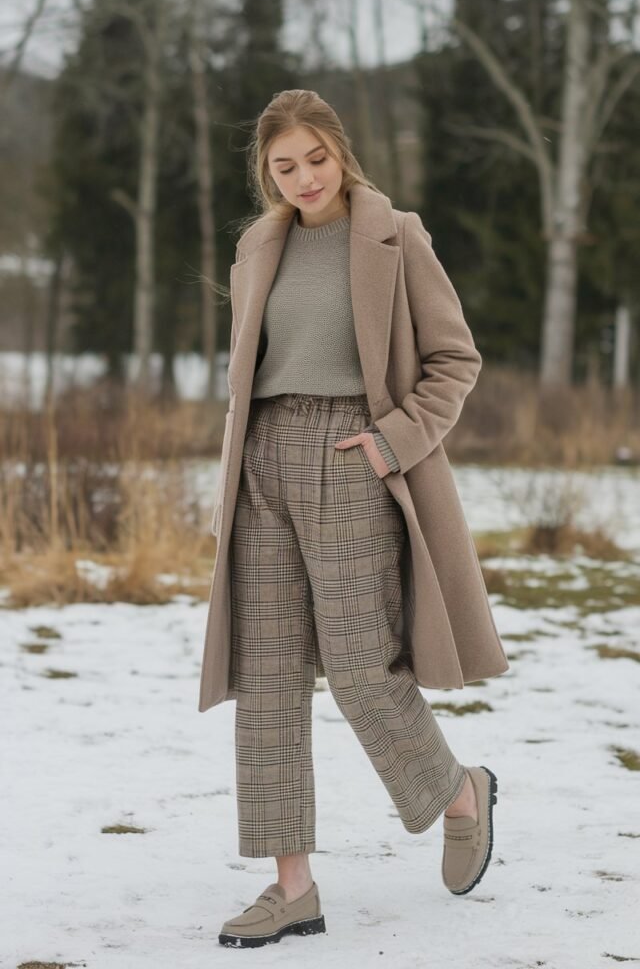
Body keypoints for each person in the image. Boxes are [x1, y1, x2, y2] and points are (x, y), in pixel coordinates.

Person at [214, 89, 504, 949]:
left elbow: (455, 357)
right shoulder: (258, 245)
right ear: (266, 174)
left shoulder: (394, 233)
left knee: (359, 671)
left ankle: (459, 792)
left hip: (353, 456)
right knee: (264, 680)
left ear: (341, 154)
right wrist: (240, 452)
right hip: (262, 459)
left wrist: (393, 442)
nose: (302, 178)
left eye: (315, 158)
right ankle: (290, 886)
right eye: (283, 166)